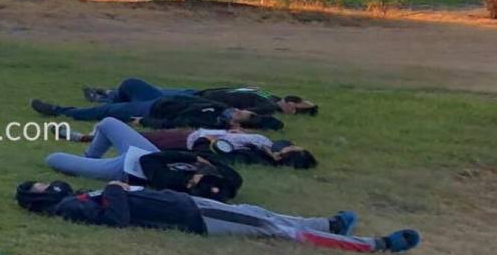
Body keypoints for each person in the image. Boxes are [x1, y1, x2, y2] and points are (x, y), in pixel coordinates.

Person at [15, 180, 421, 253]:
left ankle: (329, 224)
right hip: (193, 218)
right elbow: (115, 219)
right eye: (38, 187)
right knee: (273, 230)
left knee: (258, 212)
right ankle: (371, 246)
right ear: (39, 200)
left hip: (186, 204)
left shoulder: (77, 198)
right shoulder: (71, 208)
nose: (46, 184)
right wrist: (118, 190)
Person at [42, 117, 242, 200]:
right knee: (108, 122)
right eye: (195, 176)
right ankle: (89, 156)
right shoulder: (228, 181)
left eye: (191, 182)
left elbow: (150, 161)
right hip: (148, 151)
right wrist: (201, 163)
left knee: (53, 158)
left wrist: (193, 159)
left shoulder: (172, 183)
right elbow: (229, 173)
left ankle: (86, 163)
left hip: (129, 169)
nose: (190, 177)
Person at [72, 123, 318, 169]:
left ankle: (87, 147)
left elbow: (214, 150)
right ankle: (87, 140)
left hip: (187, 141)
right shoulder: (265, 144)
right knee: (135, 132)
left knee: (124, 132)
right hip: (192, 133)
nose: (285, 147)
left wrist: (213, 140)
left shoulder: (255, 155)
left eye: (288, 151)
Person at [29, 91, 282, 130]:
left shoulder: (212, 120)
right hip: (162, 97)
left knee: (106, 112)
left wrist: (145, 120)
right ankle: (110, 98)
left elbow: (175, 123)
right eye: (239, 110)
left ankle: (61, 110)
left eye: (239, 115)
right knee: (129, 84)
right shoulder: (221, 107)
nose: (235, 111)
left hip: (153, 108)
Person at [78, 78, 316, 116]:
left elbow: (248, 114)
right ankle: (109, 95)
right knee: (153, 91)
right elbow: (242, 89)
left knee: (149, 96)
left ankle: (107, 98)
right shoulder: (267, 95)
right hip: (197, 92)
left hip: (200, 99)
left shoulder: (267, 106)